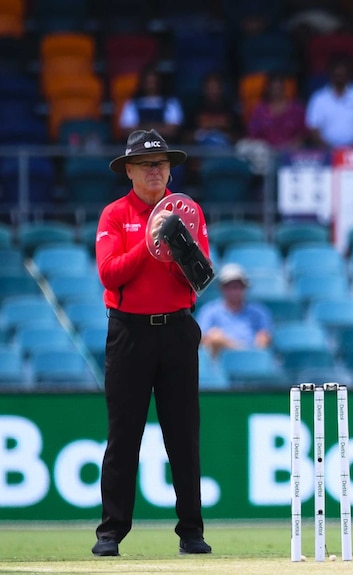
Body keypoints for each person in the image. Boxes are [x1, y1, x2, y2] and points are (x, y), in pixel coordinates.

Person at [91, 129, 212, 557]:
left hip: (177, 330)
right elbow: (110, 274)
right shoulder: (114, 215)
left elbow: (198, 278)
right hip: (129, 333)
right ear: (129, 171)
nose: (156, 170)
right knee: (124, 436)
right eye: (146, 164)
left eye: (162, 163)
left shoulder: (188, 211)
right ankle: (110, 532)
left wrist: (181, 248)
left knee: (183, 435)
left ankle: (192, 532)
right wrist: (151, 242)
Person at [197, 263, 273, 358]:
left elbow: (264, 338)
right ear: (222, 288)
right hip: (219, 360)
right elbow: (204, 339)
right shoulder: (209, 311)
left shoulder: (258, 312)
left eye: (237, 287)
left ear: (244, 288)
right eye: (229, 287)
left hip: (251, 359)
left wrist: (227, 343)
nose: (234, 291)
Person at [305, 57, 353, 149]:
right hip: (326, 152)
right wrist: (327, 149)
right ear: (330, 74)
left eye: (342, 74)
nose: (339, 77)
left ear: (349, 74)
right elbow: (313, 128)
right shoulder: (318, 98)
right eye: (337, 75)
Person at [118, 64, 184, 140]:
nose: (151, 86)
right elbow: (128, 130)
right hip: (140, 148)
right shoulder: (133, 103)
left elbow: (172, 130)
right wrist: (157, 128)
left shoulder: (171, 102)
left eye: (154, 82)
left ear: (159, 82)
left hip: (166, 145)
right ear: (143, 83)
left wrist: (144, 128)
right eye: (148, 82)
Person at [246, 72, 308, 150]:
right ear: (267, 89)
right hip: (265, 154)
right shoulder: (259, 110)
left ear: (284, 88)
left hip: (292, 153)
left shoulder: (296, 109)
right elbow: (253, 135)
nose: (276, 92)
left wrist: (289, 147)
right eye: (273, 88)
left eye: (278, 88)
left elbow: (303, 134)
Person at [183, 71, 243, 147]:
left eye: (215, 88)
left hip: (225, 153)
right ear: (204, 89)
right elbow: (185, 137)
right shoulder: (195, 110)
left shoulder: (230, 111)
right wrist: (199, 134)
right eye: (209, 88)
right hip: (201, 153)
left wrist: (223, 133)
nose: (213, 92)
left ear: (221, 89)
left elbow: (240, 137)